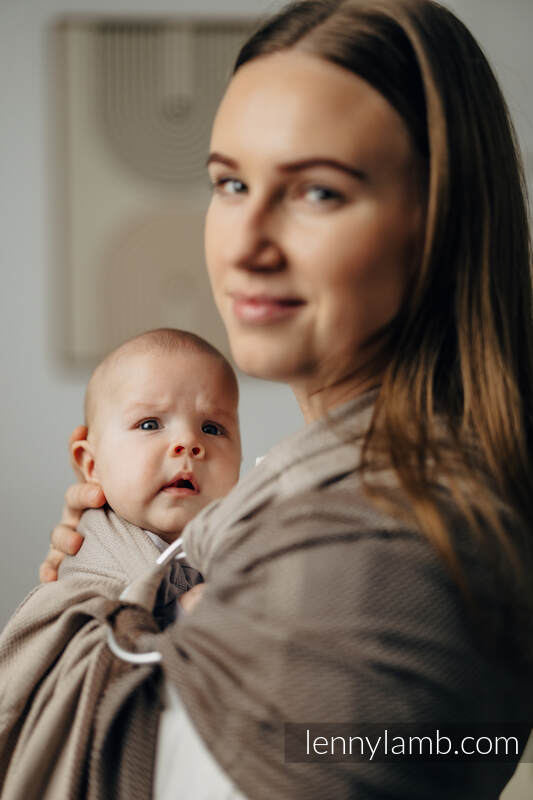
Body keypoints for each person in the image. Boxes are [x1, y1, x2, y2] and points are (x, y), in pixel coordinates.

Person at [36, 0, 533, 798]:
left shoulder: (376, 549)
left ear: (436, 223)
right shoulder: (296, 493)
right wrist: (116, 576)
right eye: (230, 182)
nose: (245, 244)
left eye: (317, 193)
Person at [0, 328, 241, 798]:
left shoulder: (253, 555)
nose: (189, 444)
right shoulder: (78, 582)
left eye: (213, 427)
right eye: (151, 424)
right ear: (90, 464)